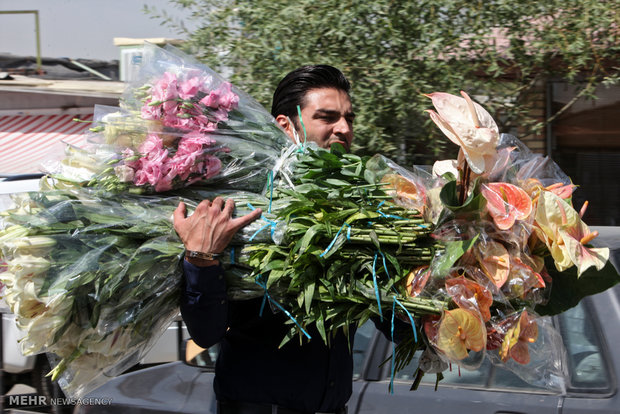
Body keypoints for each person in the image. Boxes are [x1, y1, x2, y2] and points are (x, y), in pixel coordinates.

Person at [173, 65, 368, 414]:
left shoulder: (358, 210)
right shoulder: (245, 205)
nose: (344, 128)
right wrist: (201, 259)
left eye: (348, 118)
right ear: (286, 126)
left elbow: (393, 320)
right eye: (327, 117)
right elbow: (206, 332)